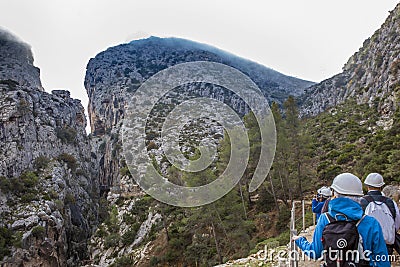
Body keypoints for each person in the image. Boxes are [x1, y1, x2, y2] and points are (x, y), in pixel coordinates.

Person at [293, 173, 389, 266]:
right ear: (359, 196)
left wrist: (300, 240)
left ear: (335, 194)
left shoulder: (325, 219)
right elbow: (382, 260)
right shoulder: (371, 223)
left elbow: (315, 252)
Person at [360, 173, 400, 255]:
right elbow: (397, 224)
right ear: (381, 187)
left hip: (368, 245)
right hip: (387, 245)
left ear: (367, 186)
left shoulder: (361, 201)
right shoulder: (391, 202)